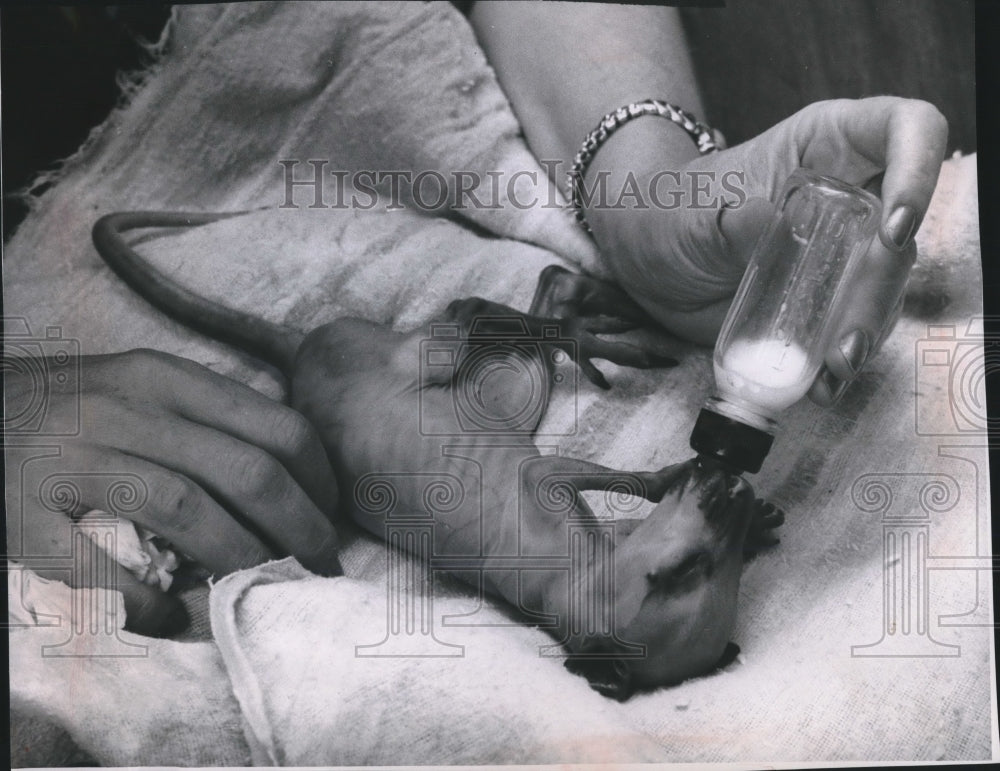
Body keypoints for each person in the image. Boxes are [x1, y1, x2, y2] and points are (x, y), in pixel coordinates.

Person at [4, 3, 948, 635]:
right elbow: (570, 483)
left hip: (359, 369)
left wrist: (646, 187)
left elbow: (570, 483)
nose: (703, 545)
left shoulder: (566, 562)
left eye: (697, 563)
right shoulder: (583, 566)